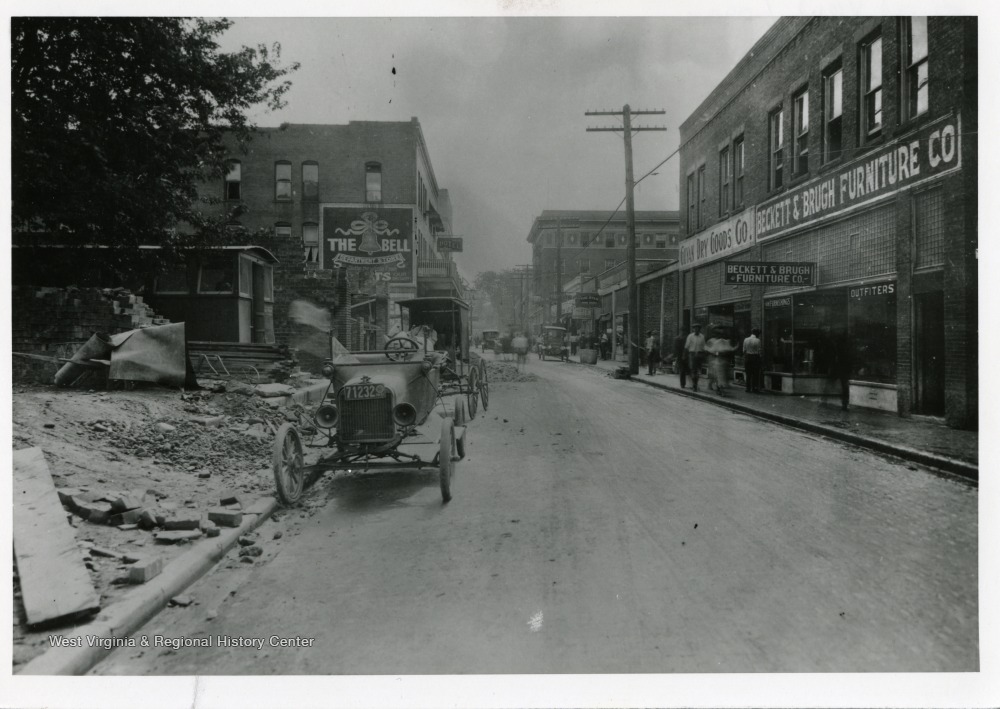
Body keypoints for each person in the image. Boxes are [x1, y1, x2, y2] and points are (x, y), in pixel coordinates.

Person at [706, 330, 735, 396]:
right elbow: (712, 351)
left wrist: (727, 353)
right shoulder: (716, 342)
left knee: (723, 376)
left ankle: (720, 389)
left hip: (724, 361)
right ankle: (720, 389)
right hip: (718, 361)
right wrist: (718, 353)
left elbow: (730, 349)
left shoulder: (726, 342)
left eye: (723, 335)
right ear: (718, 336)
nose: (722, 336)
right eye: (720, 335)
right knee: (719, 376)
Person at [831, 328, 853, 410]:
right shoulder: (846, 347)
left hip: (841, 369)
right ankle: (845, 403)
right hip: (845, 369)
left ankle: (844, 403)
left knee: (843, 386)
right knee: (844, 386)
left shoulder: (839, 348)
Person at [684, 324, 706, 391]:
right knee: (693, 370)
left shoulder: (702, 337)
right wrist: (685, 355)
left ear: (700, 329)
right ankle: (694, 385)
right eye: (695, 328)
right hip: (692, 354)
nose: (696, 330)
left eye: (698, 328)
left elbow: (704, 347)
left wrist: (703, 355)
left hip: (699, 354)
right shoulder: (690, 336)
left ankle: (695, 383)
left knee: (698, 370)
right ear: (693, 329)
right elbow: (686, 346)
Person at [742, 328, 762, 393]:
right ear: (757, 334)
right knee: (755, 374)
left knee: (748, 374)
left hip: (747, 357)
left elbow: (744, 350)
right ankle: (754, 388)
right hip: (755, 357)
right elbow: (759, 351)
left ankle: (748, 388)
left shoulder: (746, 339)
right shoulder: (758, 340)